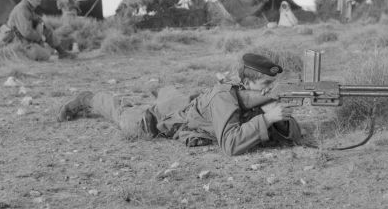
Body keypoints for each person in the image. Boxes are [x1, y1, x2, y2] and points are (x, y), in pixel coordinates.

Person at [57, 53, 304, 156]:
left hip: (185, 103)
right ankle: (88, 98)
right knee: (122, 116)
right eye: (266, 83)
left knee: (173, 97)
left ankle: (160, 89)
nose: (271, 89)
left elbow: (289, 132)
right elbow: (230, 144)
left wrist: (280, 120)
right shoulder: (223, 97)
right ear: (247, 82)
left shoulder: (250, 94)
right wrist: (267, 118)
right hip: (155, 121)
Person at [6, 0, 75, 61]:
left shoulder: (28, 7)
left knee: (47, 30)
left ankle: (62, 52)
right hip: (18, 39)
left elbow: (36, 18)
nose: (39, 4)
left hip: (25, 36)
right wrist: (39, 38)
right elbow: (27, 33)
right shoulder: (22, 9)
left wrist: (41, 24)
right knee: (45, 55)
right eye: (37, 1)